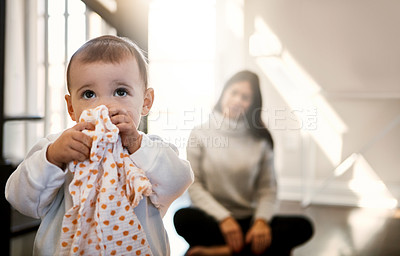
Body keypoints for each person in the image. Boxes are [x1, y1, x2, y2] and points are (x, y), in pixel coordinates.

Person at [5, 35, 194, 256]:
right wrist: (53, 158)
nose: (104, 105)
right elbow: (21, 200)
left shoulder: (149, 148)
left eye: (121, 92)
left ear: (146, 102)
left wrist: (137, 144)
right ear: (71, 107)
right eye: (89, 94)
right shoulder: (57, 147)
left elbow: (179, 181)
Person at [174, 70, 313, 256]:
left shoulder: (260, 140)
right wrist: (225, 219)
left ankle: (223, 251)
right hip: (213, 218)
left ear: (252, 104)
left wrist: (261, 222)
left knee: (303, 226)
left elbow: (268, 190)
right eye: (234, 93)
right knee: (182, 218)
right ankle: (254, 250)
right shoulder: (199, 134)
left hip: (249, 220)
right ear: (223, 93)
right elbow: (195, 186)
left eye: (245, 97)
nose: (238, 100)